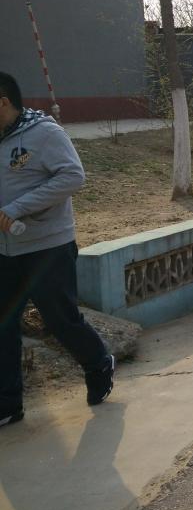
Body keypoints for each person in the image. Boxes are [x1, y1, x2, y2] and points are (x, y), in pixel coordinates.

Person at [1, 72, 116, 427]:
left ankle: (98, 363)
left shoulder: (44, 133)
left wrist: (17, 208)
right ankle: (7, 403)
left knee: (59, 319)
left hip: (47, 247)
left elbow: (72, 176)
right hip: (5, 250)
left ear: (2, 102)